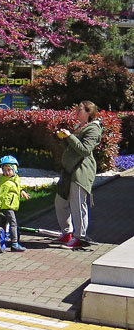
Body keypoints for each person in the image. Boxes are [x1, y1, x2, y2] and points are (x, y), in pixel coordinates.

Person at [54, 100, 102, 249]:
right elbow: (73, 147)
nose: (76, 112)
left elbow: (85, 150)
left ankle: (80, 237)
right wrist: (64, 138)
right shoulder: (80, 127)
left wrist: (70, 136)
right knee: (60, 202)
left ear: (89, 112)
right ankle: (67, 233)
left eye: (80, 109)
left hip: (81, 172)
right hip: (69, 172)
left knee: (77, 206)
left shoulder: (93, 129)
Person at [0, 155, 30, 252]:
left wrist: (22, 191)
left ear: (14, 169)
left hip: (12, 205)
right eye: (4, 170)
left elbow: (16, 187)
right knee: (13, 224)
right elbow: (0, 196)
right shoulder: (6, 183)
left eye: (9, 170)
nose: (6, 172)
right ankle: (14, 243)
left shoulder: (14, 178)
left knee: (5, 222)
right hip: (7, 206)